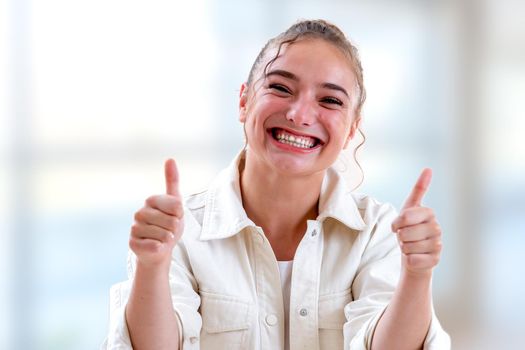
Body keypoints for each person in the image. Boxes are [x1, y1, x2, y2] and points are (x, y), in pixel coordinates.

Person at [103, 19, 450, 350]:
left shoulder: (376, 231)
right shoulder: (181, 231)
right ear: (243, 101)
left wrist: (417, 275)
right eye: (281, 88)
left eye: (329, 100)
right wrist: (151, 267)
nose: (300, 114)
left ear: (350, 130)